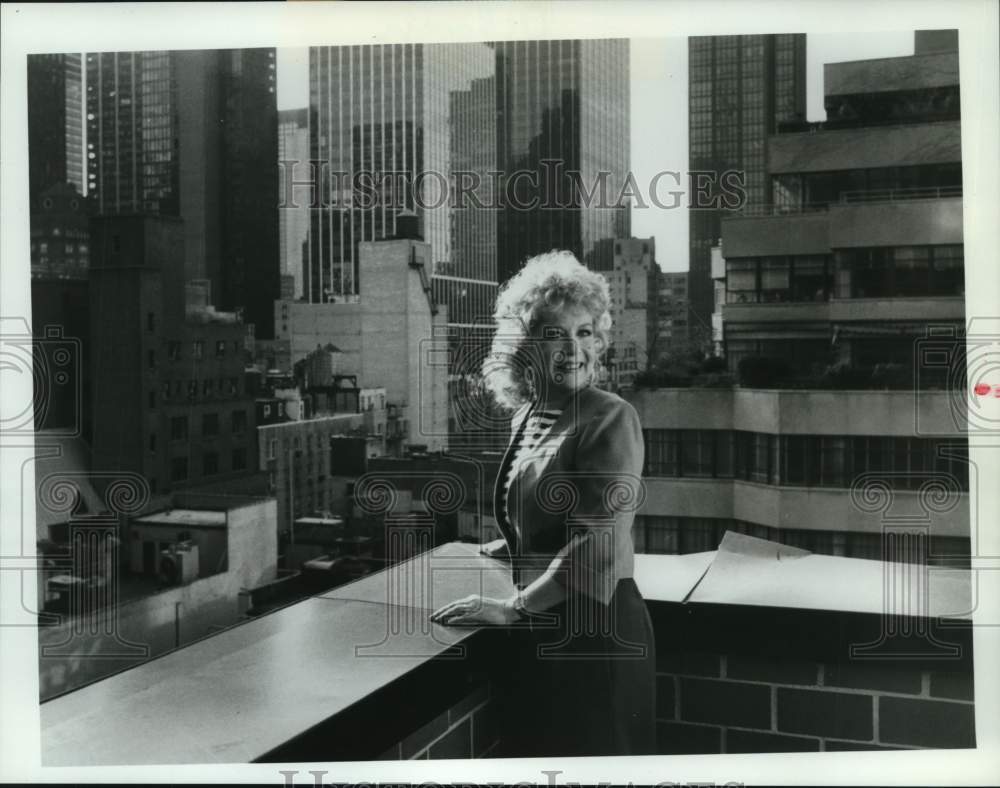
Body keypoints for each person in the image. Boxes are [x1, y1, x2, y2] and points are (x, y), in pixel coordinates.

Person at [429, 250, 656, 757]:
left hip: (596, 631)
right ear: (526, 344)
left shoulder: (611, 417)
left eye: (584, 332)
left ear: (598, 340)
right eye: (555, 333)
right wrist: (512, 543)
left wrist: (513, 608)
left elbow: (597, 541)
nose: (573, 349)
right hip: (548, 625)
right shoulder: (529, 416)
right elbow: (539, 507)